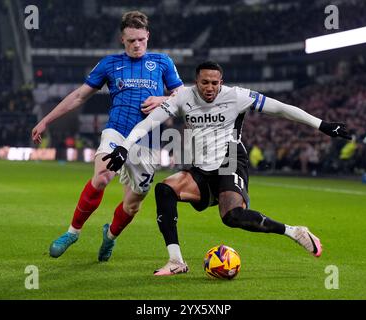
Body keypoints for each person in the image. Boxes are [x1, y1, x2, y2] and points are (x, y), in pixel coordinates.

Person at [105, 61, 351, 275]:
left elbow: (281, 109)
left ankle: (294, 231)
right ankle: (176, 261)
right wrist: (125, 147)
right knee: (164, 190)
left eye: (215, 83)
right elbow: (149, 122)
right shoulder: (182, 98)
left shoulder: (236, 96)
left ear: (221, 82)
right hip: (200, 166)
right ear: (196, 82)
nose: (210, 88)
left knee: (232, 217)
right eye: (205, 83)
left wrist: (322, 125)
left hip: (230, 159)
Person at [31, 11, 183, 261]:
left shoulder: (163, 62)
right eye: (131, 40)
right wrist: (46, 119)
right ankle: (72, 232)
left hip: (148, 141)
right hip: (118, 131)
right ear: (122, 40)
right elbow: (79, 96)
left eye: (141, 40)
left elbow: (183, 97)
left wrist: (163, 98)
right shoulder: (110, 64)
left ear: (148, 36)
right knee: (101, 177)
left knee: (132, 205)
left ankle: (110, 236)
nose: (136, 45)